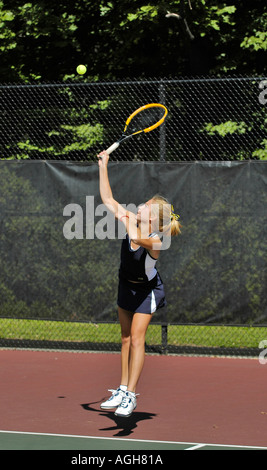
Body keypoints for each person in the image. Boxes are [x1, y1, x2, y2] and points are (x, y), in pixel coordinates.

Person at [97, 150, 181, 417]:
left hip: (147, 291)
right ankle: (122, 390)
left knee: (136, 339)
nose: (140, 206)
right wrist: (103, 165)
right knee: (124, 339)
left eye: (145, 205)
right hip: (126, 284)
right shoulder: (132, 220)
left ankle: (131, 395)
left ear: (154, 218)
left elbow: (134, 234)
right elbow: (108, 199)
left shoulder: (156, 241)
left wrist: (125, 218)